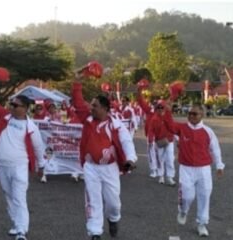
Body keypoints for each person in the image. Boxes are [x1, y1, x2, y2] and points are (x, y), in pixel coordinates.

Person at [0, 76, 45, 240]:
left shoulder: (31, 127)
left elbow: (38, 148)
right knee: (9, 196)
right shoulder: (5, 117)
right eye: (11, 104)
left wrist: (41, 166)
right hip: (2, 166)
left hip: (19, 167)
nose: (12, 107)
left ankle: (22, 231)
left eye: (16, 105)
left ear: (25, 108)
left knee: (19, 198)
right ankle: (16, 224)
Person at [72, 74, 137, 240]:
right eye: (91, 105)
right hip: (91, 167)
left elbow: (126, 141)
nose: (91, 108)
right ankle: (95, 232)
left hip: (110, 169)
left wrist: (131, 159)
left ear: (105, 109)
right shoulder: (87, 119)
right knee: (93, 200)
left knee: (113, 203)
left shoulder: (115, 124)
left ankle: (113, 219)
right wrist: (77, 82)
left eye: (95, 106)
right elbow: (78, 101)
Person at [163, 104, 225, 237]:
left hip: (204, 169)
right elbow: (169, 125)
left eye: (194, 114)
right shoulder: (182, 128)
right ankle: (183, 210)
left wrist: (219, 166)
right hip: (186, 169)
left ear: (202, 115)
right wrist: (168, 111)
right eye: (189, 113)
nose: (191, 116)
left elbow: (215, 149)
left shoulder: (208, 131)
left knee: (204, 196)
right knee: (187, 196)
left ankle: (202, 223)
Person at [147, 100, 176, 186]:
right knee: (160, 159)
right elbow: (151, 130)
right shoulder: (154, 119)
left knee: (170, 158)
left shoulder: (168, 116)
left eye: (162, 107)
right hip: (159, 142)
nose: (160, 109)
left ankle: (170, 177)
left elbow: (172, 126)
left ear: (165, 108)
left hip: (169, 140)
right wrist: (151, 139)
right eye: (158, 107)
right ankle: (161, 176)